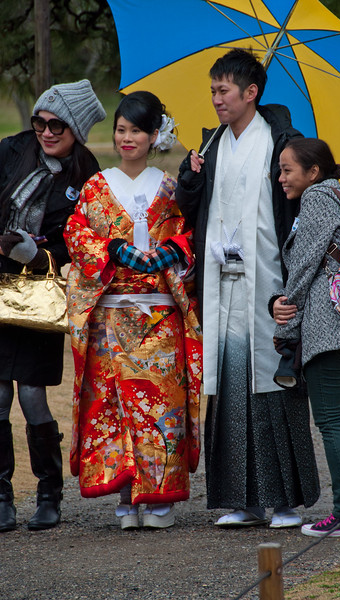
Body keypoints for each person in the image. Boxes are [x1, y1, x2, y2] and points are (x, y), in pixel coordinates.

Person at [175, 48, 320, 528]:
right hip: (223, 277)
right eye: (213, 90)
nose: (216, 98)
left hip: (270, 278)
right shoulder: (213, 143)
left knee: (273, 378)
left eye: (224, 90)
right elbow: (194, 206)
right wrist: (189, 177)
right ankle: (242, 500)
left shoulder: (282, 140)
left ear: (251, 92)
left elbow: (297, 205)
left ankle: (283, 501)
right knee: (229, 382)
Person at [64, 91, 202, 530]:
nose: (127, 138)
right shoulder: (96, 187)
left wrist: (171, 254)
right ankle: (126, 494)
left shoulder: (170, 186)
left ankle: (159, 497)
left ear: (154, 135)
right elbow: (76, 233)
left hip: (159, 315)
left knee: (161, 404)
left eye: (137, 131)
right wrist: (115, 249)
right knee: (115, 405)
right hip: (112, 314)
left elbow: (189, 233)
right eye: (121, 130)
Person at [0, 79, 106, 533]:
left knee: (31, 394)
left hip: (42, 293)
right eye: (39, 121)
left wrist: (38, 254)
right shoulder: (12, 149)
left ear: (76, 129)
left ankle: (49, 492)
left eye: (56, 125)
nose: (45, 131)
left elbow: (83, 241)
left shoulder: (86, 172)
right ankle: (2, 495)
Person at [271, 137, 340, 537]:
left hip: (327, 327)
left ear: (312, 172)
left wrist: (285, 321)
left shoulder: (316, 199)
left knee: (332, 423)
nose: (281, 177)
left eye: (287, 169)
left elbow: (302, 267)